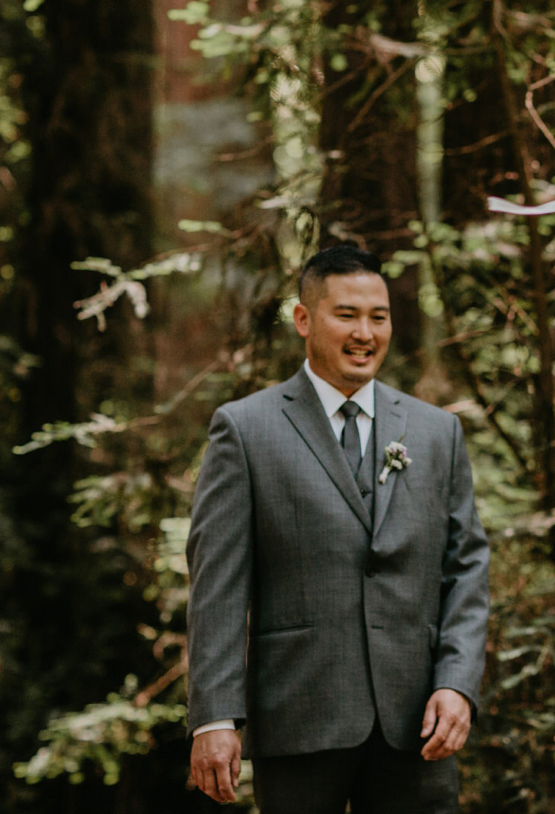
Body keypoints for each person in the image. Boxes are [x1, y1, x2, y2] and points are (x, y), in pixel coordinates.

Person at [186, 238, 490, 814]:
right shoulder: (245, 431)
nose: (365, 333)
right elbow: (217, 585)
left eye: (378, 317)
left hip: (416, 721)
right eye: (346, 314)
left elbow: (466, 567)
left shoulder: (436, 432)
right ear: (304, 319)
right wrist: (214, 715)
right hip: (300, 714)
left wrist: (457, 683)